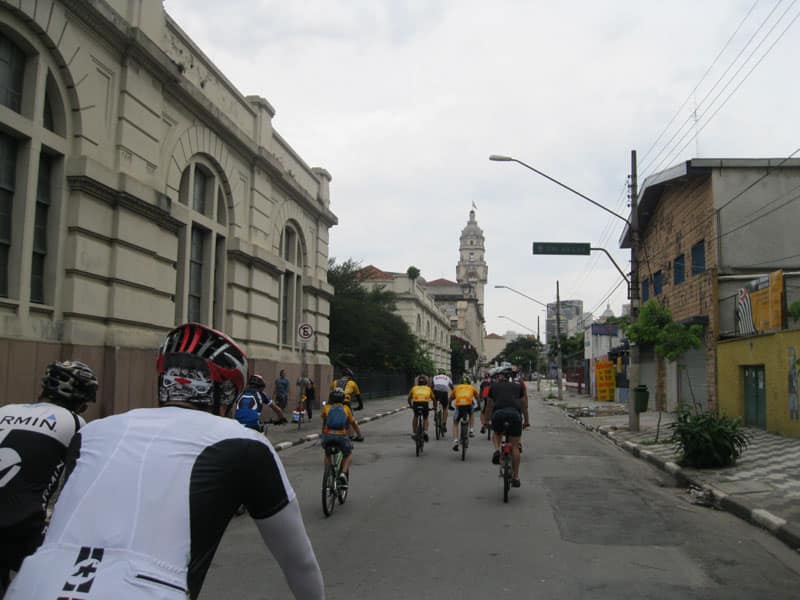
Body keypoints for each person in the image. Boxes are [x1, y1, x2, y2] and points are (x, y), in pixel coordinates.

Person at [5, 323, 324, 600]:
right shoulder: (246, 443)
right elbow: (300, 564)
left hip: (31, 584)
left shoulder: (94, 432)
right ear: (228, 393)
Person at [0, 360, 97, 595]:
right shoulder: (75, 423)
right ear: (81, 401)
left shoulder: (5, 410)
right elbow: (77, 480)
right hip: (21, 525)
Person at [484, 368, 530, 489]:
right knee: (515, 446)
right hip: (514, 415)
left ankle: (497, 450)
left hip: (498, 415)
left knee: (496, 433)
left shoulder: (493, 386)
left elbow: (489, 405)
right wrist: (526, 421)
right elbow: (524, 406)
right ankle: (516, 477)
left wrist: (486, 421)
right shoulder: (518, 386)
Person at [321, 387, 363, 489]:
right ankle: (343, 473)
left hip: (328, 436)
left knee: (327, 453)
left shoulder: (326, 408)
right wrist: (359, 435)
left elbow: (324, 422)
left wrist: (323, 435)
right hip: (341, 437)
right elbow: (353, 424)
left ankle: (328, 473)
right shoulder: (346, 409)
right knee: (348, 454)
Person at [450, 375, 480, 451]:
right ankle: (471, 430)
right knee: (471, 413)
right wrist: (479, 406)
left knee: (455, 422)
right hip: (468, 404)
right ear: (469, 382)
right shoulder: (471, 387)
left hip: (459, 405)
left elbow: (451, 398)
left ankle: (455, 441)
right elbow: (477, 397)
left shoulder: (457, 387)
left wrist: (449, 405)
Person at [407, 375, 435, 441]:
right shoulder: (428, 388)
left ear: (418, 382)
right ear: (426, 382)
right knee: (425, 418)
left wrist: (411, 405)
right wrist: (434, 407)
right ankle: (425, 432)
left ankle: (414, 433)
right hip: (424, 404)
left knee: (415, 416)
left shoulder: (414, 388)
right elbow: (434, 399)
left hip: (416, 403)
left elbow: (409, 398)